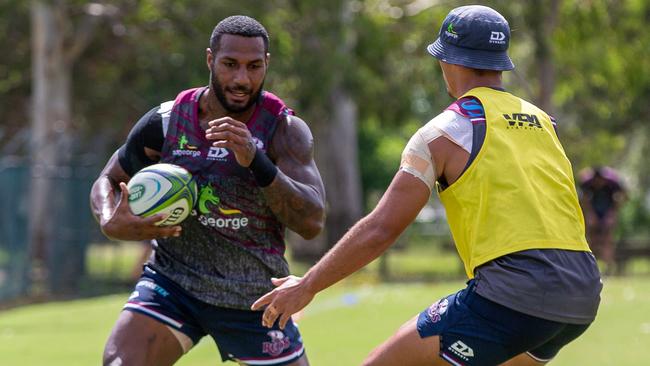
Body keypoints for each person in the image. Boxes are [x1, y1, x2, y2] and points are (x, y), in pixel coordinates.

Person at [252, 5, 602, 366]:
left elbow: (382, 228)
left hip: (514, 294)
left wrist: (307, 285)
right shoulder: (544, 122)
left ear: (448, 61)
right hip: (582, 292)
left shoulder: (443, 132)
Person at [90, 15, 326, 366]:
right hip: (172, 284)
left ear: (267, 64)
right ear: (210, 60)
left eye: (254, 66)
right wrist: (110, 218)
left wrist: (257, 161)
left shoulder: (284, 130)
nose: (241, 79)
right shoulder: (167, 123)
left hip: (253, 297)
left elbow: (312, 221)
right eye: (230, 64)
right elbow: (108, 179)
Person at [579, 166, 626, 274]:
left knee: (607, 239)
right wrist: (590, 214)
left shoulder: (611, 184)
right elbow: (584, 200)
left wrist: (613, 213)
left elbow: (622, 197)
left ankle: (608, 265)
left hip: (607, 213)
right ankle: (589, 266)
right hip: (594, 213)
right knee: (591, 238)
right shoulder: (588, 184)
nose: (598, 184)